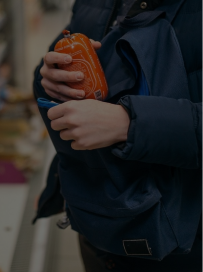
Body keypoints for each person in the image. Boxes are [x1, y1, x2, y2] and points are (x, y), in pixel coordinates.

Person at [33, 0, 203, 271]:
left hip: (181, 241)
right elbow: (62, 51)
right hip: (97, 217)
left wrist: (130, 123)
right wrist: (49, 75)